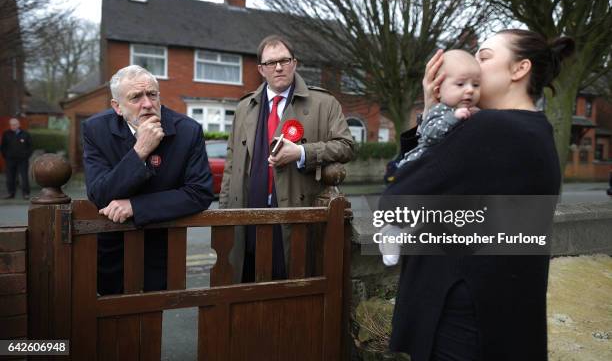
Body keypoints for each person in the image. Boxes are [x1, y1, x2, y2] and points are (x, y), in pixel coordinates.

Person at [384, 29, 575, 360]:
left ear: (519, 70)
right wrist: (434, 112)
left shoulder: (489, 129)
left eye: (484, 57)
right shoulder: (536, 130)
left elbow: (396, 200)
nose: (473, 65)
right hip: (502, 321)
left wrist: (434, 110)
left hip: (458, 322)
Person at [220, 35, 354, 283]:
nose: (278, 67)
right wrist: (224, 217)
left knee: (291, 285)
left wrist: (302, 153)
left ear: (295, 63)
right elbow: (231, 165)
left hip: (296, 214)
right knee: (247, 282)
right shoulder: (244, 107)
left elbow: (346, 146)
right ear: (261, 69)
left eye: (284, 60)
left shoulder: (324, 103)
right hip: (248, 215)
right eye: (271, 63)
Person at [82, 65, 214, 295]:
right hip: (113, 250)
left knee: (152, 323)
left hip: (162, 248)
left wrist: (135, 206)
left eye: (152, 94)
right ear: (117, 107)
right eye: (135, 97)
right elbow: (99, 194)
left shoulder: (188, 131)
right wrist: (139, 151)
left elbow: (199, 193)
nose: (147, 103)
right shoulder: (96, 129)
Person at [397, 49, 481, 166]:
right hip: (416, 164)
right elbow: (429, 135)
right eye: (460, 84)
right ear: (438, 92)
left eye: (476, 85)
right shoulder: (441, 110)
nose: (470, 90)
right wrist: (453, 117)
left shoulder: (475, 112)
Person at [1, 118, 32, 199]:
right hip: (10, 160)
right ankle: (11, 193)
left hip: (23, 160)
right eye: (11, 124)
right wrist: (7, 156)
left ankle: (26, 194)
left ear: (19, 125)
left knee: (24, 177)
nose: (13, 126)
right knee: (10, 177)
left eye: (14, 124)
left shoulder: (25, 134)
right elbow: (3, 147)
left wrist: (26, 155)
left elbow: (30, 147)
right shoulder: (6, 134)